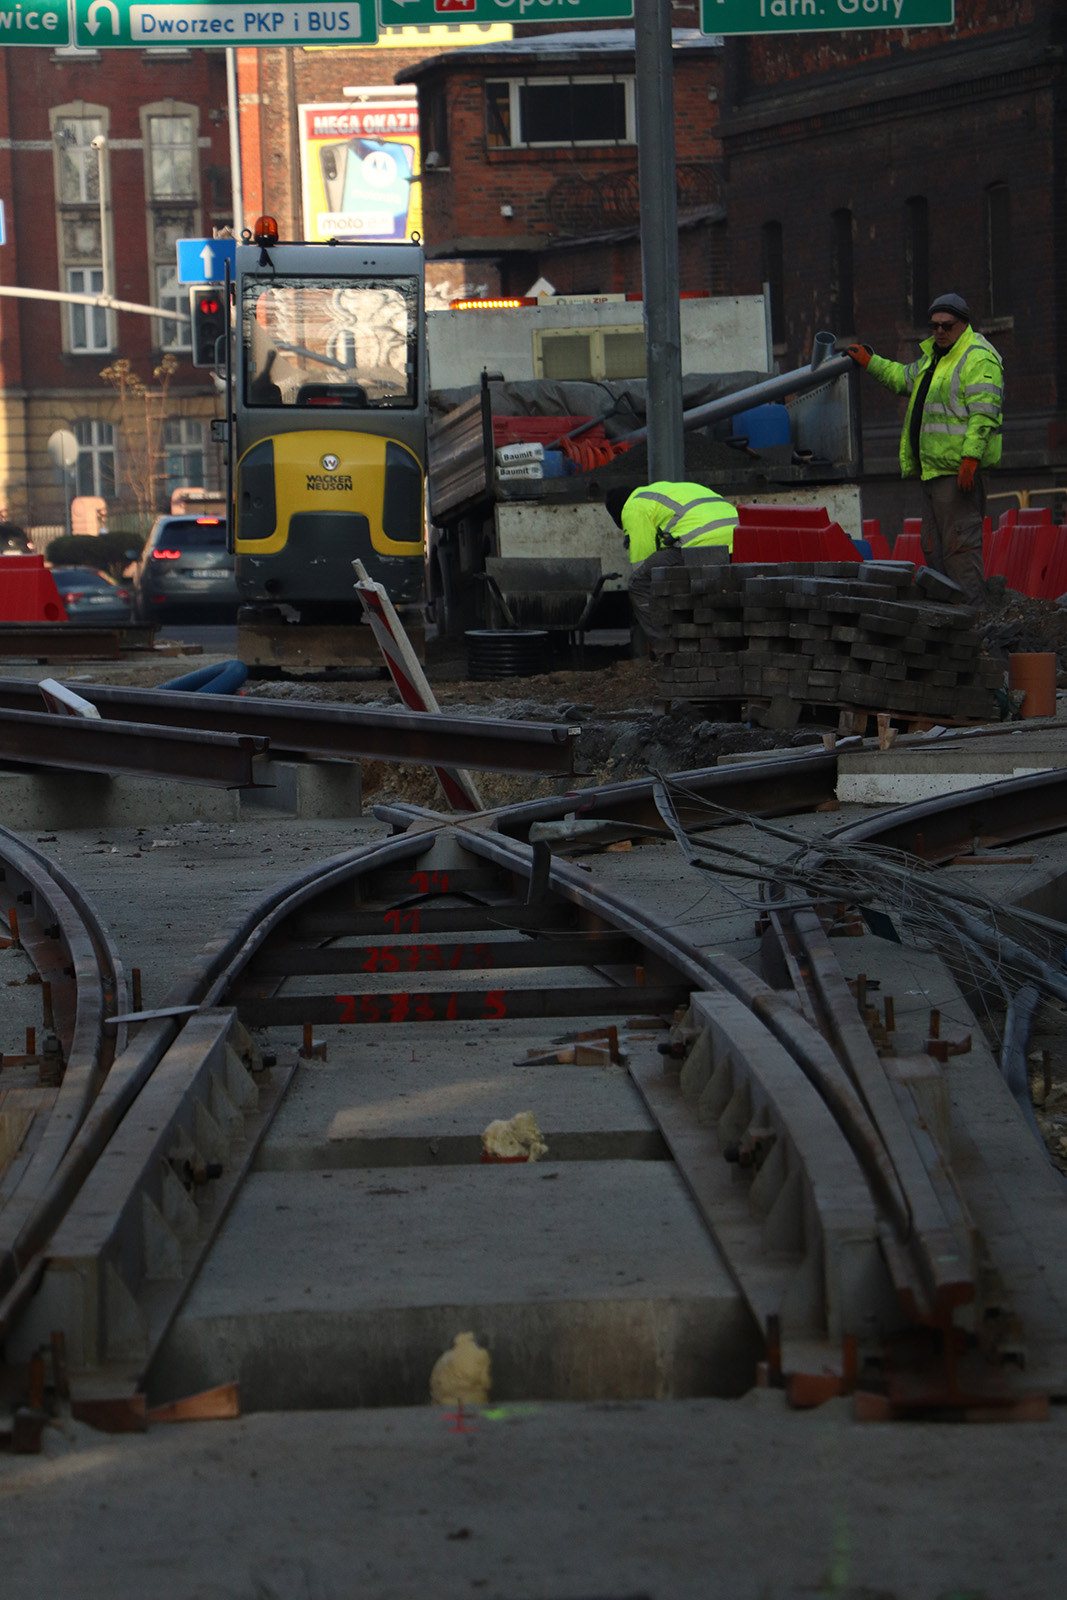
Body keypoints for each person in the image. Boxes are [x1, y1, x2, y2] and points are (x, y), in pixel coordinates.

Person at [847, 293, 1003, 605]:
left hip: (957, 476)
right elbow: (903, 378)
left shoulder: (978, 357)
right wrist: (870, 362)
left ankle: (976, 622)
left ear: (963, 324)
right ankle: (955, 620)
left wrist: (970, 459)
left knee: (960, 550)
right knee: (934, 549)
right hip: (934, 474)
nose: (940, 331)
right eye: (934, 326)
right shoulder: (934, 359)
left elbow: (984, 413)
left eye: (947, 325)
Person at [604, 482, 738, 653]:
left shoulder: (632, 507)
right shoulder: (663, 491)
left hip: (700, 541)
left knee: (640, 582)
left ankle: (667, 651)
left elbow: (642, 561)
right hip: (736, 538)